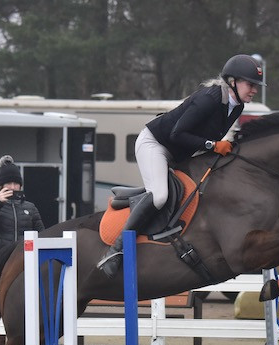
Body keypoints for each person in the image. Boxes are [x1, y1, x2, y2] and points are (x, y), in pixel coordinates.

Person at [97, 54, 264, 278]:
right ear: (233, 81)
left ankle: (140, 202)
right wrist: (212, 145)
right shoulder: (210, 98)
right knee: (158, 197)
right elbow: (178, 133)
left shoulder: (236, 107)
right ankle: (115, 251)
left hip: (178, 153)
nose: (254, 90)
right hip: (155, 144)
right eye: (250, 84)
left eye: (256, 86)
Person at [0, 155, 45, 345]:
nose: (14, 186)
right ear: (1, 185)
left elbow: (42, 233)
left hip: (26, 265)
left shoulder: (30, 207)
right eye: (9, 183)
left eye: (16, 183)